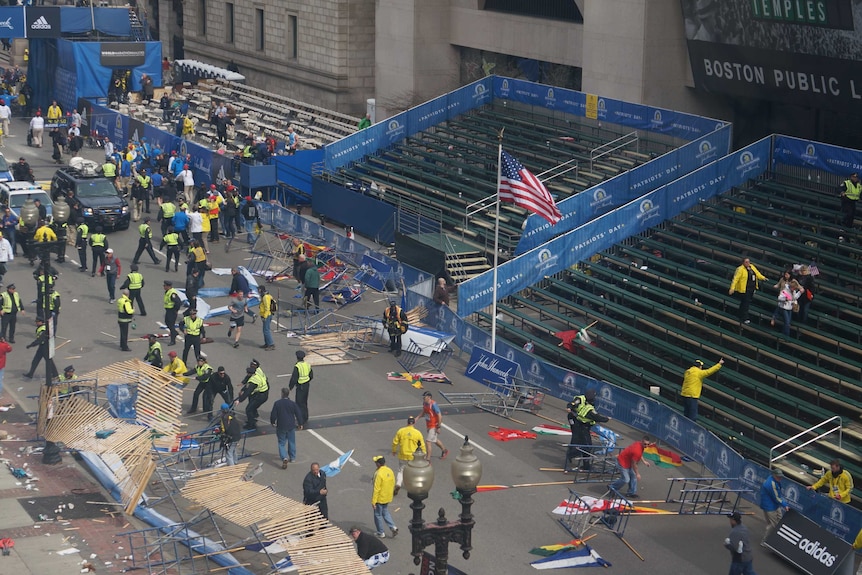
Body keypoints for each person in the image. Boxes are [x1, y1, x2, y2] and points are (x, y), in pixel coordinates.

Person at [567, 388, 610, 472]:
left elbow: (594, 416)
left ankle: (575, 454)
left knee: (582, 442)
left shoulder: (588, 406)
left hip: (581, 423)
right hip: (576, 421)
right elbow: (596, 417)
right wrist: (607, 419)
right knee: (582, 442)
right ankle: (573, 454)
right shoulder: (582, 401)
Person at [391, 416, 426, 495]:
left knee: (401, 470)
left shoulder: (401, 431)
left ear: (407, 422)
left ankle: (398, 483)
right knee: (413, 471)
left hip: (402, 455)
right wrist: (424, 455)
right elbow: (422, 445)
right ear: (414, 423)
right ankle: (413, 486)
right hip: (413, 456)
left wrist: (394, 450)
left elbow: (395, 442)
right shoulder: (417, 433)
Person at [270, 387, 303, 469]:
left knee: (281, 443)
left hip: (281, 425)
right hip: (291, 425)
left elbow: (273, 414)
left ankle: (284, 457)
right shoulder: (292, 403)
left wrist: (272, 421)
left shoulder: (277, 403)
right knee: (292, 441)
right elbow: (298, 413)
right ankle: (292, 457)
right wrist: (300, 423)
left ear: (282, 394)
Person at [728, 258, 767, 324]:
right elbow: (735, 279)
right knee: (746, 303)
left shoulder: (752, 267)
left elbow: (757, 273)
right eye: (746, 262)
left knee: (744, 303)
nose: (748, 263)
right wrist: (732, 288)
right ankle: (744, 317)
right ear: (743, 263)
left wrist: (763, 278)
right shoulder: (740, 269)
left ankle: (740, 315)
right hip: (745, 289)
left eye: (748, 262)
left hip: (752, 288)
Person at [233, 359, 269, 430]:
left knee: (248, 409)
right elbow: (247, 386)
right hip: (262, 393)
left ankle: (251, 425)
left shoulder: (253, 381)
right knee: (252, 406)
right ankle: (253, 417)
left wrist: (239, 400)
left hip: (261, 395)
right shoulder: (255, 374)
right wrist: (242, 389)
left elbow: (248, 391)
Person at [371, 455, 398, 538]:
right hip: (387, 497)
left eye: (376, 462)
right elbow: (393, 483)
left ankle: (380, 532)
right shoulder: (389, 470)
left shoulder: (378, 473)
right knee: (385, 512)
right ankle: (393, 526)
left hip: (380, 498)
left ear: (379, 464)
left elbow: (376, 488)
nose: (375, 463)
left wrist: (373, 501)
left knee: (378, 515)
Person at [416, 391, 448, 460]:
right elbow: (424, 412)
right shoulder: (424, 403)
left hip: (434, 425)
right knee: (434, 440)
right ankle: (444, 450)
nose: (423, 398)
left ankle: (428, 459)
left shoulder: (433, 404)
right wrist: (417, 418)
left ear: (429, 397)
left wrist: (438, 427)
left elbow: (439, 416)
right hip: (428, 424)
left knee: (428, 442)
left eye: (424, 397)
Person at [759, 468, 787, 545]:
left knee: (779, 519)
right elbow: (776, 497)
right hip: (769, 507)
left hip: (774, 504)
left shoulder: (774, 480)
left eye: (780, 477)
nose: (780, 478)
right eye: (778, 477)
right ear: (774, 475)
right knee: (773, 524)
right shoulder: (771, 484)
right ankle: (764, 541)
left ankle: (774, 537)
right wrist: (785, 505)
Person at [288, 350, 313, 428]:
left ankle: (300, 420)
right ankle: (305, 417)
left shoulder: (297, 366)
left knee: (299, 403)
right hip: (306, 385)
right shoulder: (307, 365)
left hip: (300, 386)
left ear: (297, 357)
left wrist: (290, 387)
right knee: (304, 402)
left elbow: (294, 378)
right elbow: (311, 375)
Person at [163, 280, 182, 346]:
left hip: (172, 311)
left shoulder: (172, 294)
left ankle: (173, 340)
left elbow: (178, 302)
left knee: (171, 325)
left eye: (164, 286)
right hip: (168, 310)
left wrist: (176, 310)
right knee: (167, 322)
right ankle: (175, 332)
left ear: (168, 286)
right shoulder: (168, 292)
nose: (163, 287)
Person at [258, 285, 276, 350]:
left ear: (261, 290)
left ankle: (271, 344)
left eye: (259, 290)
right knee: (265, 330)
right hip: (266, 315)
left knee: (266, 330)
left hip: (267, 315)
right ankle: (267, 343)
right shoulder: (266, 295)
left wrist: (265, 316)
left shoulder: (265, 297)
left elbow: (267, 307)